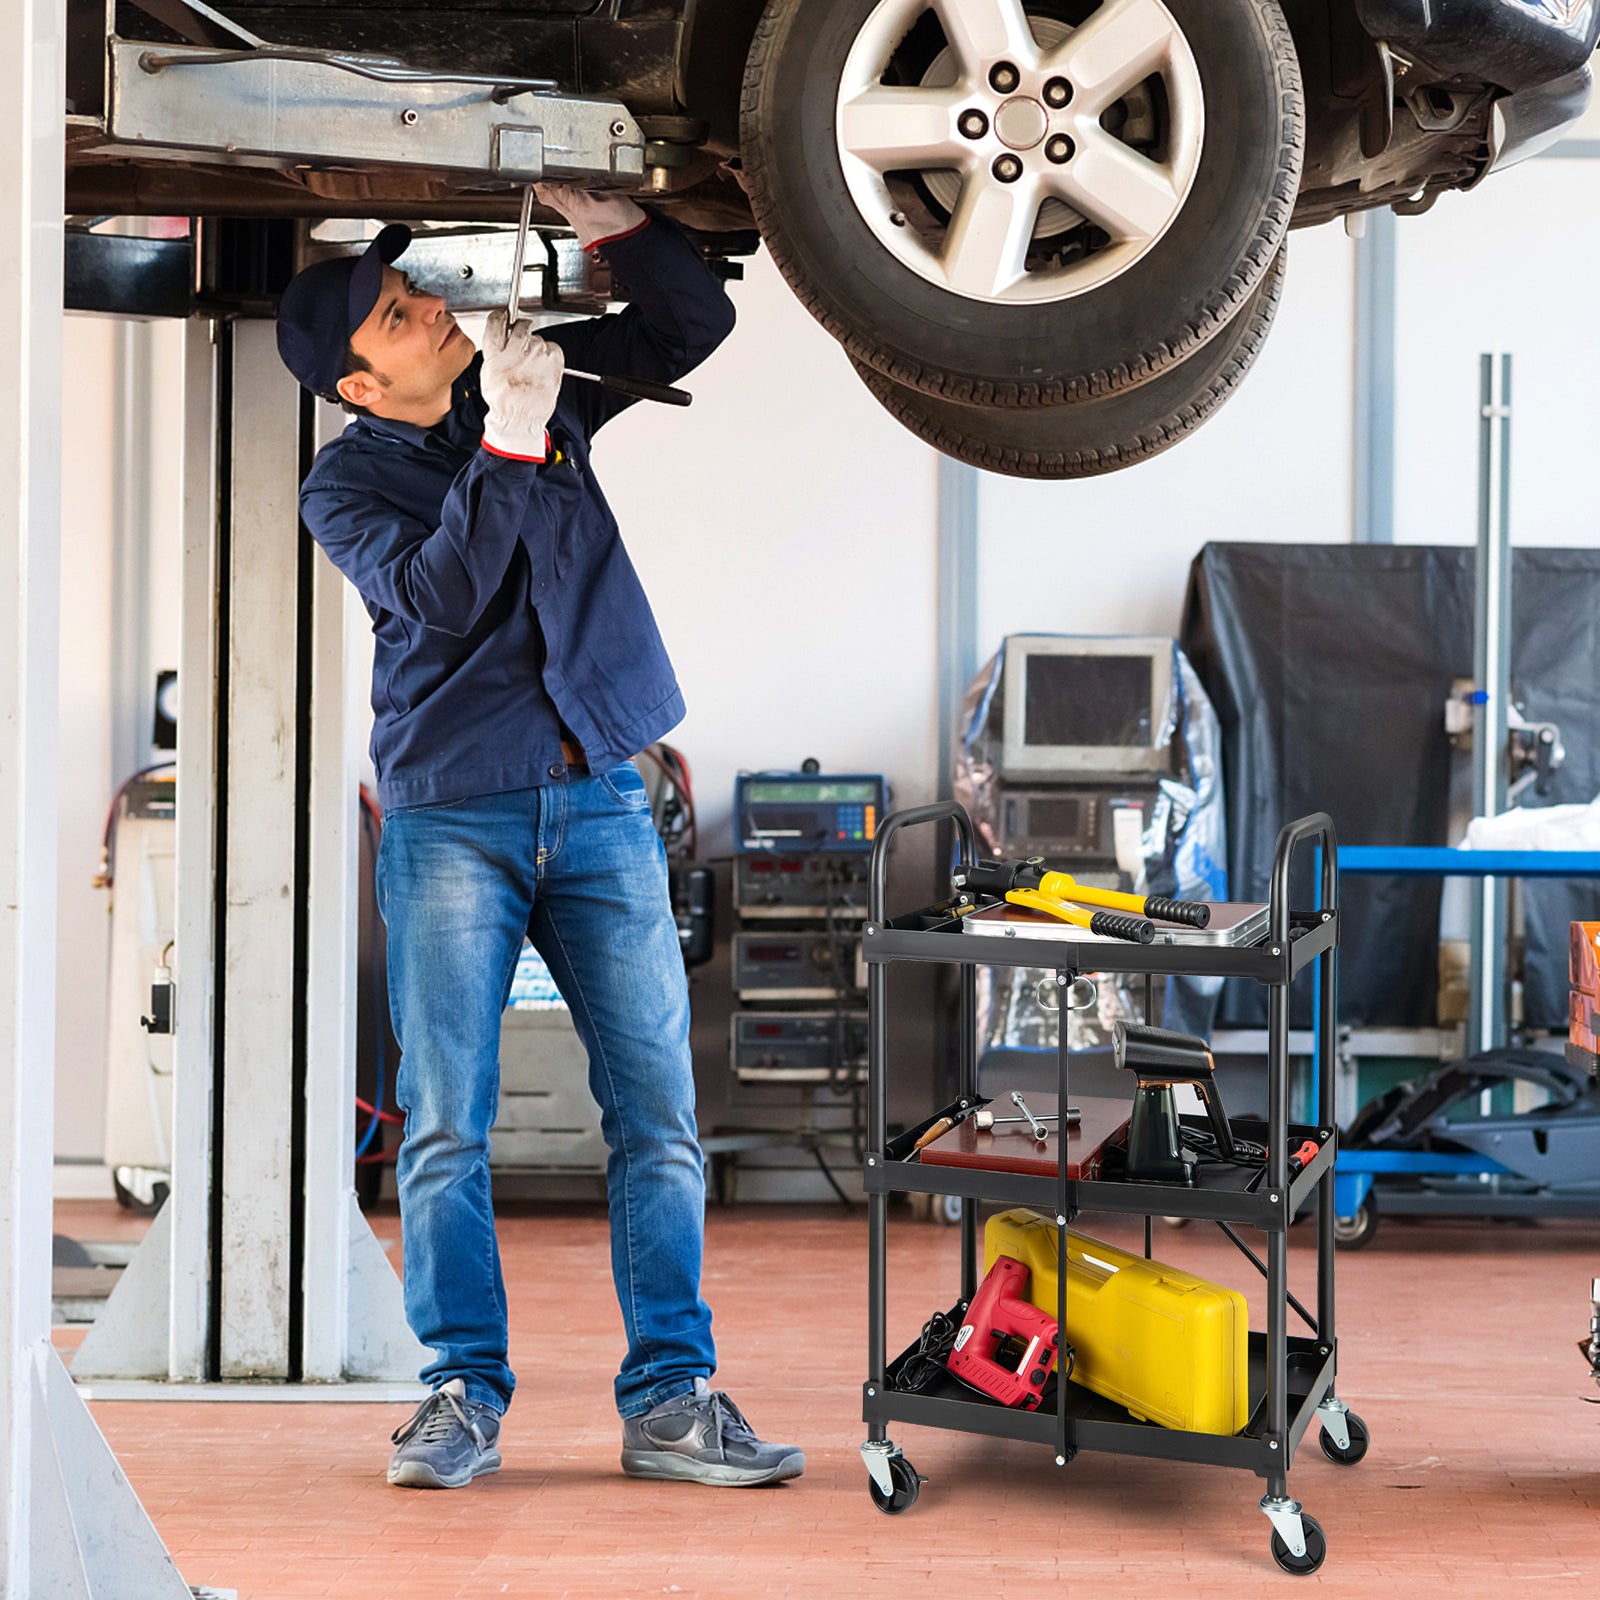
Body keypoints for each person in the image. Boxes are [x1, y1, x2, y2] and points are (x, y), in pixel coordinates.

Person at [275, 184, 803, 1491]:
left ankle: (672, 1401)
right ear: (356, 378)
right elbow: (443, 597)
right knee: (449, 1121)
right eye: (402, 317)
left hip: (604, 793)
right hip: (457, 813)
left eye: (419, 295)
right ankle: (461, 1393)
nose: (436, 315)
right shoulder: (343, 488)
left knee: (660, 1115)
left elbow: (688, 322)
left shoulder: (545, 394)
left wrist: (617, 225)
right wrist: (509, 442)